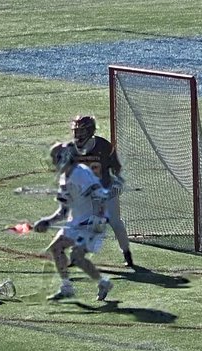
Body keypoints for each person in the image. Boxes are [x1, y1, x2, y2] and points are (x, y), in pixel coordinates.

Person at [33, 142, 113, 302]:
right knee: (56, 248)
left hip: (91, 223)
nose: (53, 162)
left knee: (76, 257)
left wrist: (98, 219)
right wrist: (47, 221)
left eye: (55, 158)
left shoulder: (80, 174)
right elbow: (63, 211)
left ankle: (101, 283)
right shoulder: (64, 178)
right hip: (76, 222)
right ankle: (68, 287)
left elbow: (99, 196)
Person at [68, 115, 134, 267]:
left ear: (90, 131)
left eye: (81, 131)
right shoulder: (71, 150)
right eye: (76, 131)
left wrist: (118, 183)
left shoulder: (103, 146)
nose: (78, 135)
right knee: (76, 223)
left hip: (105, 190)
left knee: (116, 223)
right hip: (85, 194)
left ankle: (127, 253)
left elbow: (117, 169)